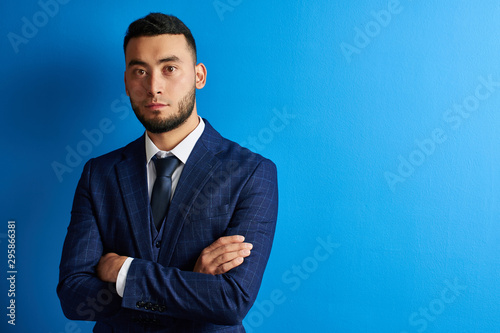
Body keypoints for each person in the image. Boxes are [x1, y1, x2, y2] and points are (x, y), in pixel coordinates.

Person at [57, 13, 278, 332]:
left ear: (199, 76)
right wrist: (191, 290)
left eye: (169, 68)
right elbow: (73, 296)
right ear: (126, 82)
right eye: (140, 71)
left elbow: (231, 301)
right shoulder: (99, 174)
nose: (153, 86)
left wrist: (123, 271)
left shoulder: (252, 172)